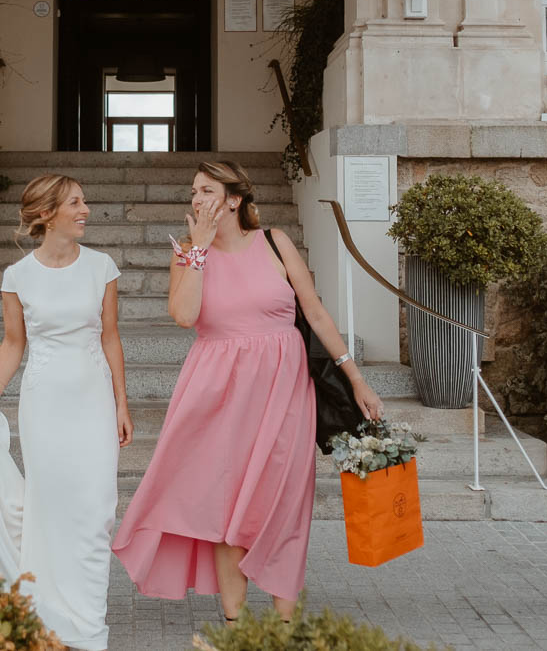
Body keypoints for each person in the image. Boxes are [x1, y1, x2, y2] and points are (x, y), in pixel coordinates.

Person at [112, 160, 383, 622]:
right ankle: (235, 622)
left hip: (284, 389)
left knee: (285, 499)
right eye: (193, 191)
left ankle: (285, 620)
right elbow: (184, 314)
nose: (196, 199)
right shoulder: (186, 255)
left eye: (206, 190)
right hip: (217, 392)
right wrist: (196, 251)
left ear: (234, 199)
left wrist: (356, 378)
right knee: (224, 504)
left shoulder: (275, 242)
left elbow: (315, 314)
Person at [0, 174, 132, 651]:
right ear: (47, 213)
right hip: (44, 403)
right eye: (75, 202)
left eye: (84, 201)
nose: (86, 209)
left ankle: (89, 623)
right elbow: (14, 344)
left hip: (93, 399)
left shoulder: (102, 266)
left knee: (97, 510)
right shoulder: (17, 276)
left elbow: (109, 336)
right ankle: (49, 612)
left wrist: (121, 402)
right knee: (51, 508)